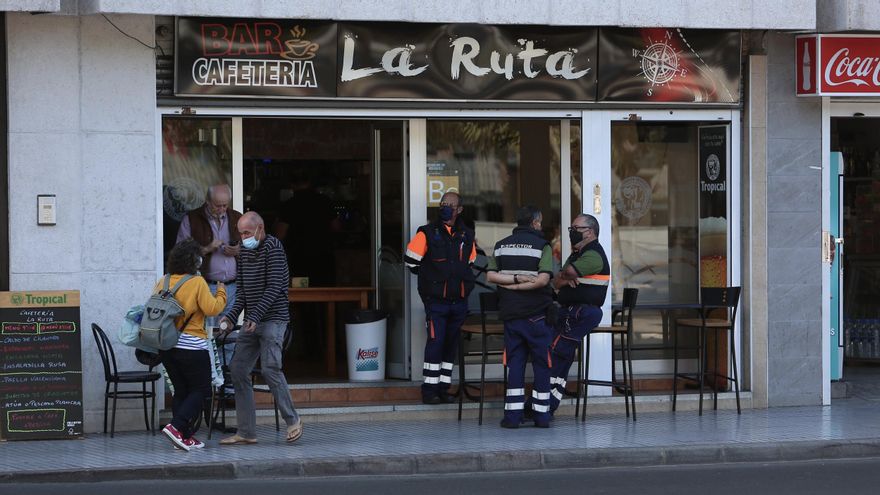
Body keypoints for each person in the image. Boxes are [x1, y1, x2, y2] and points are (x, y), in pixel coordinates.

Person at [218, 211, 302, 445]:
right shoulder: (244, 250)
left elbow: (275, 286)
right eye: (241, 233)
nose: (243, 237)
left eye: (247, 232)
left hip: (274, 319)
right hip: (252, 320)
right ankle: (246, 432)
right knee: (237, 369)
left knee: (270, 368)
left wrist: (254, 315)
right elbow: (243, 291)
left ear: (260, 229)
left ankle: (293, 420)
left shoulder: (273, 247)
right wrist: (229, 317)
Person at [404, 191, 477, 404]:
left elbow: (469, 262)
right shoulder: (427, 233)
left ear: (459, 210)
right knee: (436, 343)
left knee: (450, 345)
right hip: (436, 302)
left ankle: (444, 389)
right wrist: (432, 278)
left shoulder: (467, 235)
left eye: (450, 205)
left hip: (459, 301)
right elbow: (411, 262)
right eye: (443, 203)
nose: (445, 207)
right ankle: (429, 391)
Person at [486, 206, 555, 428]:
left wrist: (513, 282)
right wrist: (522, 283)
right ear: (535, 222)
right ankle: (541, 417)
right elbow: (543, 280)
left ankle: (513, 417)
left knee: (514, 364)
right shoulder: (542, 246)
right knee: (542, 365)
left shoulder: (501, 245)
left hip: (511, 316)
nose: (541, 226)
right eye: (540, 222)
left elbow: (491, 275)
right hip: (536, 316)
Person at [158, 239, 227, 451]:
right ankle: (177, 427)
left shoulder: (164, 281)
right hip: (191, 345)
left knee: (182, 391)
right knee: (202, 389)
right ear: (194, 260)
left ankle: (185, 436)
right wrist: (222, 291)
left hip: (166, 346)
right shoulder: (196, 282)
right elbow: (212, 308)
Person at [548, 214, 609, 415]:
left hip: (582, 312)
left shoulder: (593, 254)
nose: (572, 232)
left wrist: (566, 276)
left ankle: (544, 403)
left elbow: (569, 272)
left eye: (576, 228)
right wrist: (565, 278)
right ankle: (547, 403)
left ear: (589, 232)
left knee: (557, 350)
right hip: (568, 311)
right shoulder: (577, 254)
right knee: (559, 352)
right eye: (571, 228)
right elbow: (557, 281)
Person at [176, 184, 241, 333]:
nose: (222, 209)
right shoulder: (192, 219)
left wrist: (239, 251)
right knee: (208, 333)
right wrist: (206, 249)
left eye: (225, 205)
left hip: (232, 287)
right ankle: (211, 358)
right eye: (217, 206)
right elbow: (180, 253)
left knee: (228, 335)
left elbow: (253, 248)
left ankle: (227, 358)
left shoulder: (237, 217)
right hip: (206, 285)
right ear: (207, 201)